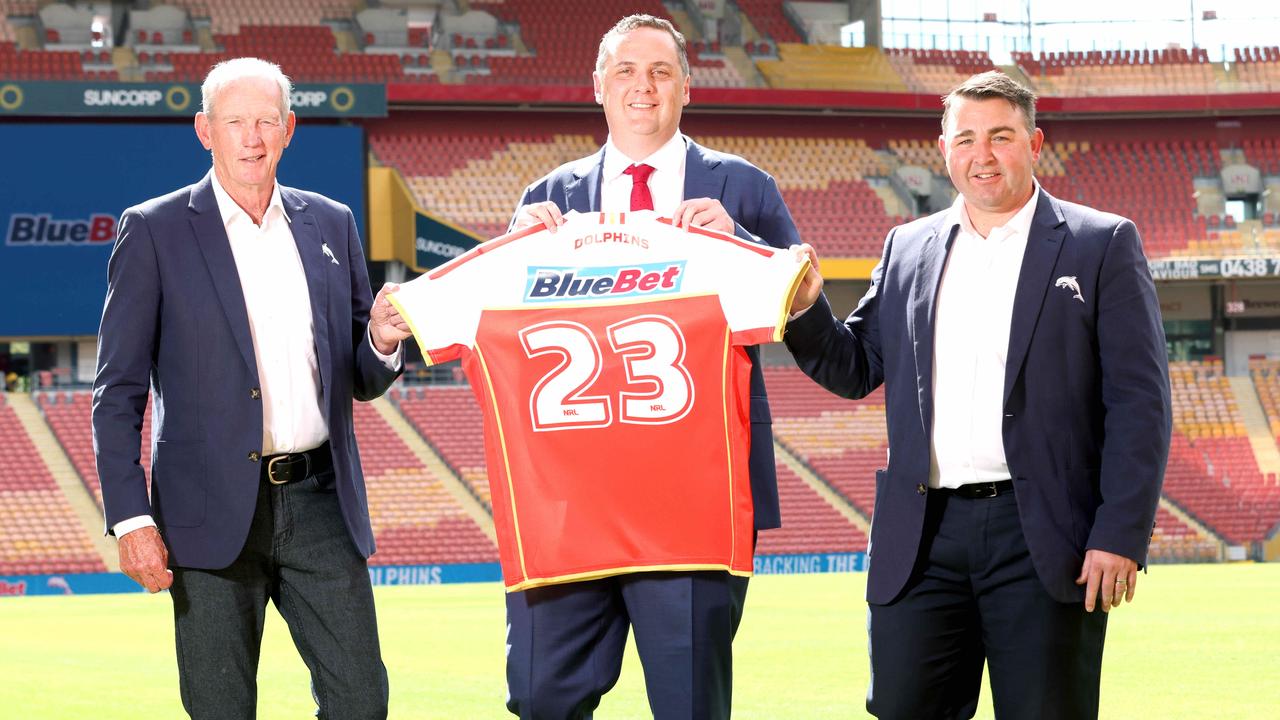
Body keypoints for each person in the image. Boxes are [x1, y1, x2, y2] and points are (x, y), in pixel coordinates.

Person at [785, 71, 1171, 719]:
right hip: (922, 537)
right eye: (965, 139)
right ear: (944, 150)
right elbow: (854, 368)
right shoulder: (907, 246)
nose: (982, 155)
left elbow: (1140, 403)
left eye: (1000, 136)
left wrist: (1121, 534)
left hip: (1043, 535)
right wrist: (804, 310)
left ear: (1035, 142)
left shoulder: (1100, 242)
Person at [91, 57, 411, 719]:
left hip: (322, 505)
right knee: (219, 707)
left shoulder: (331, 222)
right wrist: (130, 519)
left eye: (267, 120)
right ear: (205, 130)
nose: (253, 136)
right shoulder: (152, 229)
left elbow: (360, 376)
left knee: (362, 702)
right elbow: (117, 389)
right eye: (236, 121)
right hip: (203, 512)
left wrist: (380, 339)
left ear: (289, 128)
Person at [504, 14, 801, 720]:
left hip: (698, 494)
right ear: (598, 87)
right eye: (627, 72)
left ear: (687, 89)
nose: (643, 87)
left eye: (661, 72)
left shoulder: (744, 188)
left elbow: (798, 308)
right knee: (542, 696)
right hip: (572, 496)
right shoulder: (549, 199)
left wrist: (746, 244)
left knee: (690, 701)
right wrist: (513, 255)